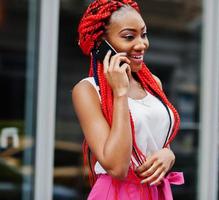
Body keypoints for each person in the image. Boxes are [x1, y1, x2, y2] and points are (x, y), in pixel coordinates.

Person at [72, 0, 184, 199]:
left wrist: (168, 154)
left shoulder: (153, 83)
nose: (142, 44)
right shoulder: (87, 90)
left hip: (156, 190)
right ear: (102, 44)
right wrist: (120, 93)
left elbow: (151, 136)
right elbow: (117, 166)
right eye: (129, 37)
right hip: (117, 192)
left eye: (144, 34)